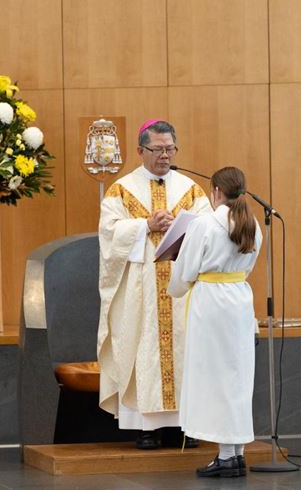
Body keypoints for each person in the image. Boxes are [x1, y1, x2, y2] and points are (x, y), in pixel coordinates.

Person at [97, 119, 212, 449]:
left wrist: (185, 227)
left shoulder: (191, 189)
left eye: (170, 149)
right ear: (140, 150)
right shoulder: (122, 190)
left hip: (180, 289)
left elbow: (208, 229)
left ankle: (183, 425)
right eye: (158, 149)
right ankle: (145, 427)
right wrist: (145, 226)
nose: (165, 155)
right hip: (140, 290)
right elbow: (108, 234)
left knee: (184, 348)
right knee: (143, 347)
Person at [168, 166, 262, 477]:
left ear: (217, 192)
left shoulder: (204, 224)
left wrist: (176, 284)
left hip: (211, 303)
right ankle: (236, 454)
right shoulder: (252, 225)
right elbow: (247, 267)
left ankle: (225, 456)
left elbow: (185, 272)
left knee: (215, 378)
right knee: (237, 377)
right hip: (239, 298)